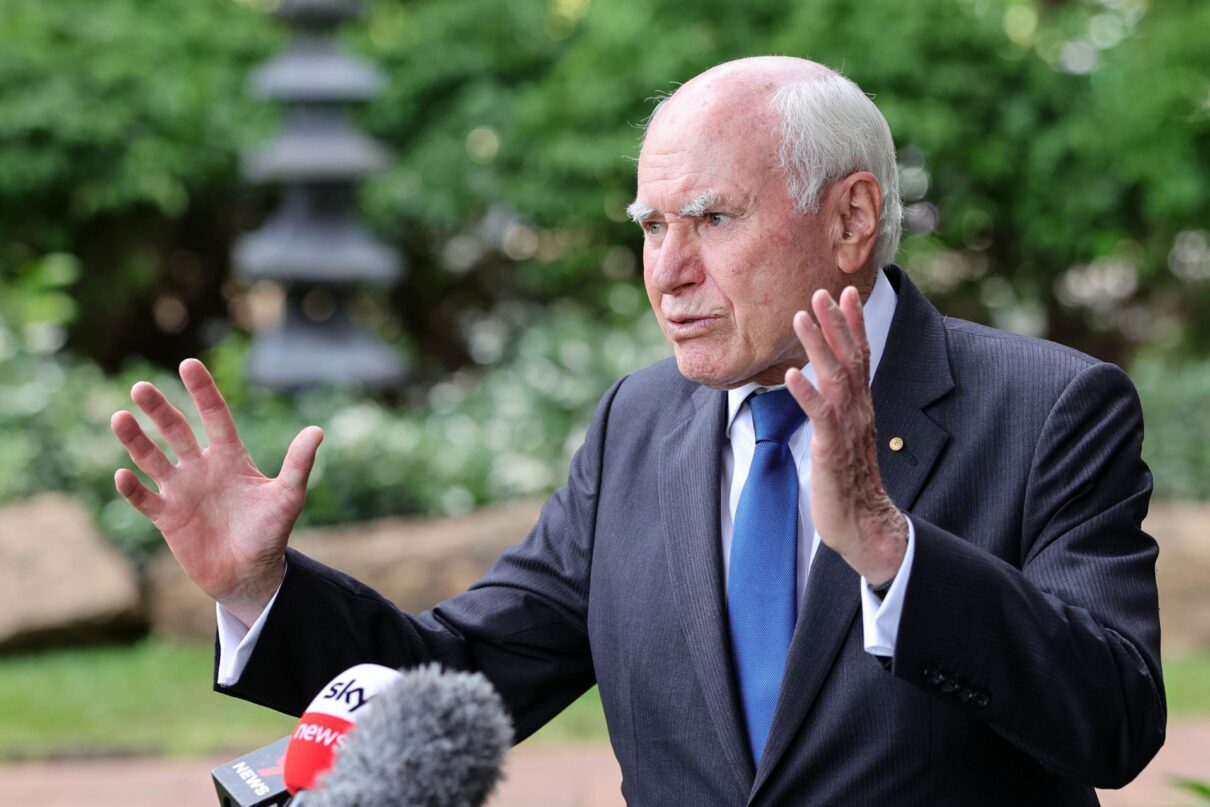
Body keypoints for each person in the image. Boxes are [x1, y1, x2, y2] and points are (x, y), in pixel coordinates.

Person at [110, 57, 1164, 805]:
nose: (668, 271)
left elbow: (1115, 722)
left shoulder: (1049, 406)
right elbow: (463, 675)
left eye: (712, 218)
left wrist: (892, 551)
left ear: (849, 221)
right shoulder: (639, 421)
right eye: (652, 227)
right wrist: (258, 588)